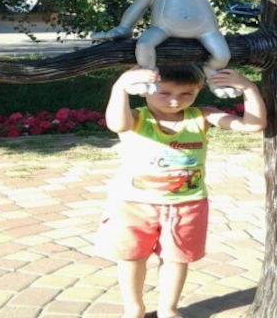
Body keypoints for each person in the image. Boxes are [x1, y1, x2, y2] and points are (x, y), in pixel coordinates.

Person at [97, 64, 267, 318]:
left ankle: (168, 308)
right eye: (164, 93)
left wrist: (248, 88)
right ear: (145, 90)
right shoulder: (136, 118)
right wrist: (121, 85)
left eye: (186, 94)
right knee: (131, 257)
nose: (175, 100)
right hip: (133, 204)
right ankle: (133, 307)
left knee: (176, 259)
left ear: (198, 90)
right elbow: (116, 124)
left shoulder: (201, 116)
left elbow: (253, 125)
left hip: (187, 205)